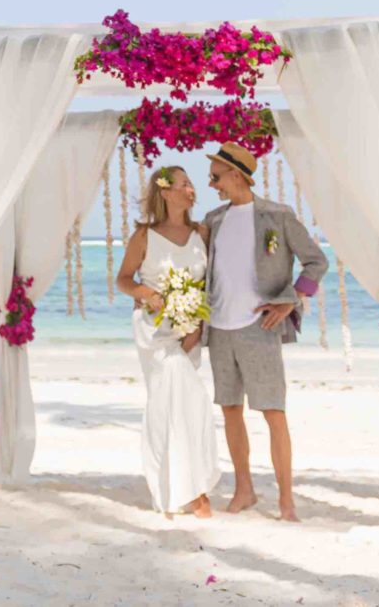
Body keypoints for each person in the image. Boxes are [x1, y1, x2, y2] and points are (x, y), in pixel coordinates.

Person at [200, 141, 327, 521]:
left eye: (216, 176)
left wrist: (291, 300)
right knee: (230, 410)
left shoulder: (278, 216)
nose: (212, 184)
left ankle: (287, 500)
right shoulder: (214, 220)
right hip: (219, 328)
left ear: (235, 175)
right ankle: (245, 490)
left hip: (260, 326)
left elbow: (316, 262)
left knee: (273, 411)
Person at [114, 163, 219, 517]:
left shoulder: (201, 233)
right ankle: (191, 493)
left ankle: (189, 484)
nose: (192, 190)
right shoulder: (144, 235)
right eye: (185, 184)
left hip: (190, 330)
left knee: (190, 404)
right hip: (154, 332)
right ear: (165, 191)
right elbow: (124, 280)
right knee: (177, 401)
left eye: (192, 185)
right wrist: (147, 294)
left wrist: (197, 325)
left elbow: (207, 285)